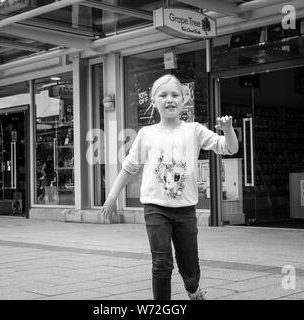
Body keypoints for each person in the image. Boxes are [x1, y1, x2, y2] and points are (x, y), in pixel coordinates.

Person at [101, 74, 239, 300]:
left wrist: (229, 130)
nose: (169, 99)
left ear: (184, 99)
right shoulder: (146, 134)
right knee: (162, 263)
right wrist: (111, 197)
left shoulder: (194, 130)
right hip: (155, 208)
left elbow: (229, 148)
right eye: (163, 95)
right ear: (153, 101)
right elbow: (128, 167)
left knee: (189, 267)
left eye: (175, 94)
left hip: (185, 209)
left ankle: (193, 290)